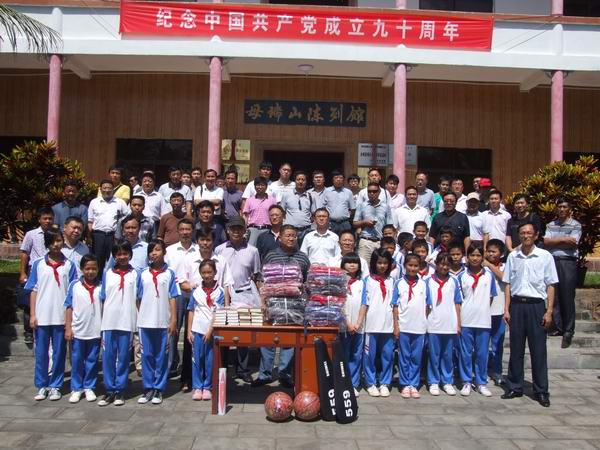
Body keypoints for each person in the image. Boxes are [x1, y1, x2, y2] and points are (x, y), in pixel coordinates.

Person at [501, 223, 558, 408]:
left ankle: (541, 390)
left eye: (529, 233)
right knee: (516, 348)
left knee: (538, 350)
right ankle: (514, 386)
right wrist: (507, 309)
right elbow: (508, 284)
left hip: (536, 306)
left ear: (536, 235)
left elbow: (551, 285)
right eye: (522, 233)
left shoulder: (545, 256)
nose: (525, 236)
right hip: (517, 306)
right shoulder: (513, 256)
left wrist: (549, 311)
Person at [26, 228, 77, 401]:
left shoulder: (69, 265)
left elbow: (72, 292)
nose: (56, 244)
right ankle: (42, 385)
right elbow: (33, 290)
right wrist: (33, 315)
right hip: (42, 316)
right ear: (47, 244)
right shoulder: (38, 264)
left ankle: (56, 385)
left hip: (60, 316)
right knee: (41, 353)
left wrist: (69, 319)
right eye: (53, 241)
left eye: (59, 240)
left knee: (59, 353)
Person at [256, 225, 310, 388]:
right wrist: (263, 301)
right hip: (273, 302)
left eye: (294, 235)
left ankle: (285, 374)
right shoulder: (271, 255)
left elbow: (307, 282)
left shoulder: (302, 258)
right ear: (280, 238)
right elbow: (262, 279)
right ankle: (264, 374)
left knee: (290, 339)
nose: (291, 238)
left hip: (295, 305)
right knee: (268, 339)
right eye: (288, 235)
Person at [214, 217, 261, 383]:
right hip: (224, 295)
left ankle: (243, 369)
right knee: (223, 334)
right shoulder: (219, 249)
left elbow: (256, 275)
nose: (236, 232)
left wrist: (260, 299)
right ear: (227, 230)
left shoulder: (252, 251)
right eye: (233, 228)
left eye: (239, 228)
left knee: (243, 335)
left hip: (244, 294)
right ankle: (223, 368)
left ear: (244, 231)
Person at [136, 240, 178, 405]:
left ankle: (159, 388)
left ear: (164, 252)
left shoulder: (170, 273)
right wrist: (142, 314)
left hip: (163, 322)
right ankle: (148, 387)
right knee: (147, 355)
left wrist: (173, 319)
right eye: (151, 250)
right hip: (145, 322)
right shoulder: (143, 273)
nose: (154, 253)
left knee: (161, 356)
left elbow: (173, 297)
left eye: (158, 250)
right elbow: (138, 298)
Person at [98, 241, 138, 407]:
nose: (122, 257)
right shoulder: (108, 274)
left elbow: (139, 298)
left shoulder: (136, 274)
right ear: (114, 256)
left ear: (130, 255)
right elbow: (102, 297)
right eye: (119, 254)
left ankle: (120, 389)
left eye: (125, 253)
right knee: (108, 356)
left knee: (123, 357)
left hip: (127, 322)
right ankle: (109, 389)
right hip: (109, 321)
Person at [457, 243, 497, 397]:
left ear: (483, 257)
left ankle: (481, 382)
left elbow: (491, 297)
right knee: (465, 353)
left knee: (482, 353)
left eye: (478, 255)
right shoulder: (462, 276)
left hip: (483, 320)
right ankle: (466, 381)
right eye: (472, 255)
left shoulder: (489, 275)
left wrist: (482, 309)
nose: (475, 258)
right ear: (467, 257)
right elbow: (459, 300)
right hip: (466, 319)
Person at [187, 259, 228, 401]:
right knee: (197, 359)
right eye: (203, 272)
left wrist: (210, 330)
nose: (206, 275)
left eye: (209, 272)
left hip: (212, 331)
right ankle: (197, 386)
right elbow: (191, 310)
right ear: (200, 273)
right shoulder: (196, 291)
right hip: (197, 329)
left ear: (215, 272)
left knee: (210, 360)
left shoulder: (220, 291)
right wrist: (189, 331)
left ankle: (208, 386)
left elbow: (217, 312)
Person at [543, 198, 581, 348]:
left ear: (569, 209)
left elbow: (574, 242)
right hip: (553, 260)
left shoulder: (575, 225)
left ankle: (568, 330)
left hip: (567, 261)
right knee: (555, 294)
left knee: (567, 295)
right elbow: (546, 242)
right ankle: (557, 327)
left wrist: (556, 240)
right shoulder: (550, 225)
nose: (562, 209)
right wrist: (565, 239)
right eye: (559, 207)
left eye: (565, 207)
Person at [64, 254, 102, 403]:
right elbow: (69, 307)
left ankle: (89, 386)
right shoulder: (74, 285)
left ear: (98, 269)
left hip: (95, 331)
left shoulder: (101, 286)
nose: (90, 272)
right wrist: (68, 328)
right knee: (77, 360)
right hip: (78, 331)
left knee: (92, 360)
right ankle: (76, 388)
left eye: (94, 269)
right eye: (87, 269)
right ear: (81, 269)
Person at [165, 219, 198, 384]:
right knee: (174, 330)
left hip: (194, 294)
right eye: (182, 229)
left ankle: (190, 367)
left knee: (191, 332)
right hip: (176, 295)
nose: (185, 232)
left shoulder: (198, 250)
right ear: (178, 231)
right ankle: (171, 365)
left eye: (188, 229)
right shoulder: (170, 250)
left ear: (192, 231)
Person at [393, 253, 430, 399]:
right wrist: (396, 326)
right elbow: (395, 306)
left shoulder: (424, 284)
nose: (413, 268)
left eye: (416, 266)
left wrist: (424, 322)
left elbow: (427, 306)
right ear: (404, 266)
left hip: (419, 327)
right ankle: (404, 383)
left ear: (420, 267)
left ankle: (413, 383)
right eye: (410, 265)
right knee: (404, 356)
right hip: (404, 326)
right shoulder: (399, 283)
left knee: (416, 356)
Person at [425, 252, 462, 397]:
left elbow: (457, 303)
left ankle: (447, 381)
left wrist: (458, 323)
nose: (444, 267)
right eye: (441, 264)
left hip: (449, 323)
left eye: (447, 265)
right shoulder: (428, 281)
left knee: (447, 355)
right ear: (436, 264)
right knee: (434, 354)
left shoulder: (454, 281)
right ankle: (433, 381)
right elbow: (426, 305)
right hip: (434, 323)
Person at [361, 248, 395, 398]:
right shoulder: (367, 281)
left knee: (387, 355)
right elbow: (364, 303)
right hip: (371, 325)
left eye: (385, 263)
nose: (382, 266)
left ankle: (385, 382)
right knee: (369, 356)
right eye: (379, 263)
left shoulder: (392, 281)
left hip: (388, 325)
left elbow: (395, 304)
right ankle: (370, 382)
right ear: (374, 263)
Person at [88, 179, 129, 273]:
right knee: (97, 259)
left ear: (113, 189)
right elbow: (90, 221)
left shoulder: (120, 202)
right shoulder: (94, 202)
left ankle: (114, 277)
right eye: (105, 188)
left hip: (113, 236)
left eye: (109, 188)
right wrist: (90, 236)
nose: (107, 190)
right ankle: (98, 279)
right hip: (98, 235)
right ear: (100, 189)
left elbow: (126, 218)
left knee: (113, 259)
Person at [340, 253, 367, 397]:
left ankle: (353, 383)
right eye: (348, 262)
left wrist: (358, 323)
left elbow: (364, 303)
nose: (352, 265)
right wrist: (348, 323)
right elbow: (339, 304)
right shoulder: (339, 282)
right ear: (343, 264)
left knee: (356, 355)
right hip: (343, 326)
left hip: (358, 326)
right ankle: (343, 382)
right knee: (343, 354)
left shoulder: (362, 283)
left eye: (355, 262)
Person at [484, 239, 507, 385]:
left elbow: (505, 278)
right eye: (489, 251)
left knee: (498, 344)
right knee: (483, 345)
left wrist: (490, 265)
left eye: (494, 251)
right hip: (483, 311)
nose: (491, 254)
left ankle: (497, 372)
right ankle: (482, 371)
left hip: (499, 310)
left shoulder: (505, 266)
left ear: (501, 253)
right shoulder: (480, 266)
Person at [353, 182, 394, 262]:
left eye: (374, 191)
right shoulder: (362, 206)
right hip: (365, 241)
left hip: (380, 242)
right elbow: (355, 223)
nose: (372, 193)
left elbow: (389, 225)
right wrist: (364, 222)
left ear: (379, 192)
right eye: (369, 191)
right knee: (364, 266)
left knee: (380, 266)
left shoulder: (386, 207)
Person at [280, 171, 315, 241]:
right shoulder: (286, 195)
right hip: (290, 231)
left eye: (303, 180)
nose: (300, 182)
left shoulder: (310, 196)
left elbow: (313, 214)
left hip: (306, 230)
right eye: (298, 179)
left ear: (306, 182)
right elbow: (282, 212)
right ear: (295, 181)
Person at [243, 177, 277, 246]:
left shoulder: (272, 200)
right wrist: (244, 230)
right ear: (254, 186)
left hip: (267, 229)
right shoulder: (249, 200)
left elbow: (275, 215)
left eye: (262, 185)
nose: (260, 187)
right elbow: (245, 216)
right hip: (253, 229)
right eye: (258, 185)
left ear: (266, 187)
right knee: (251, 249)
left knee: (267, 248)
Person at [323, 170, 355, 235]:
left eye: (340, 178)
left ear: (343, 180)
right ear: (333, 180)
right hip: (330, 223)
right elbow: (323, 207)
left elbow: (353, 209)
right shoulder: (326, 191)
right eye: (336, 178)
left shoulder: (348, 192)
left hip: (345, 223)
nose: (338, 179)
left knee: (345, 240)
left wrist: (346, 215)